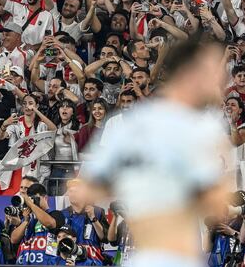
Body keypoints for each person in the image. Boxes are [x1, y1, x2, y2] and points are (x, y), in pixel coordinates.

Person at [79, 38, 231, 267]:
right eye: (211, 72)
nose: (220, 78)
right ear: (189, 73)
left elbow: (89, 187)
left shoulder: (131, 122)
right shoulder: (203, 128)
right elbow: (216, 201)